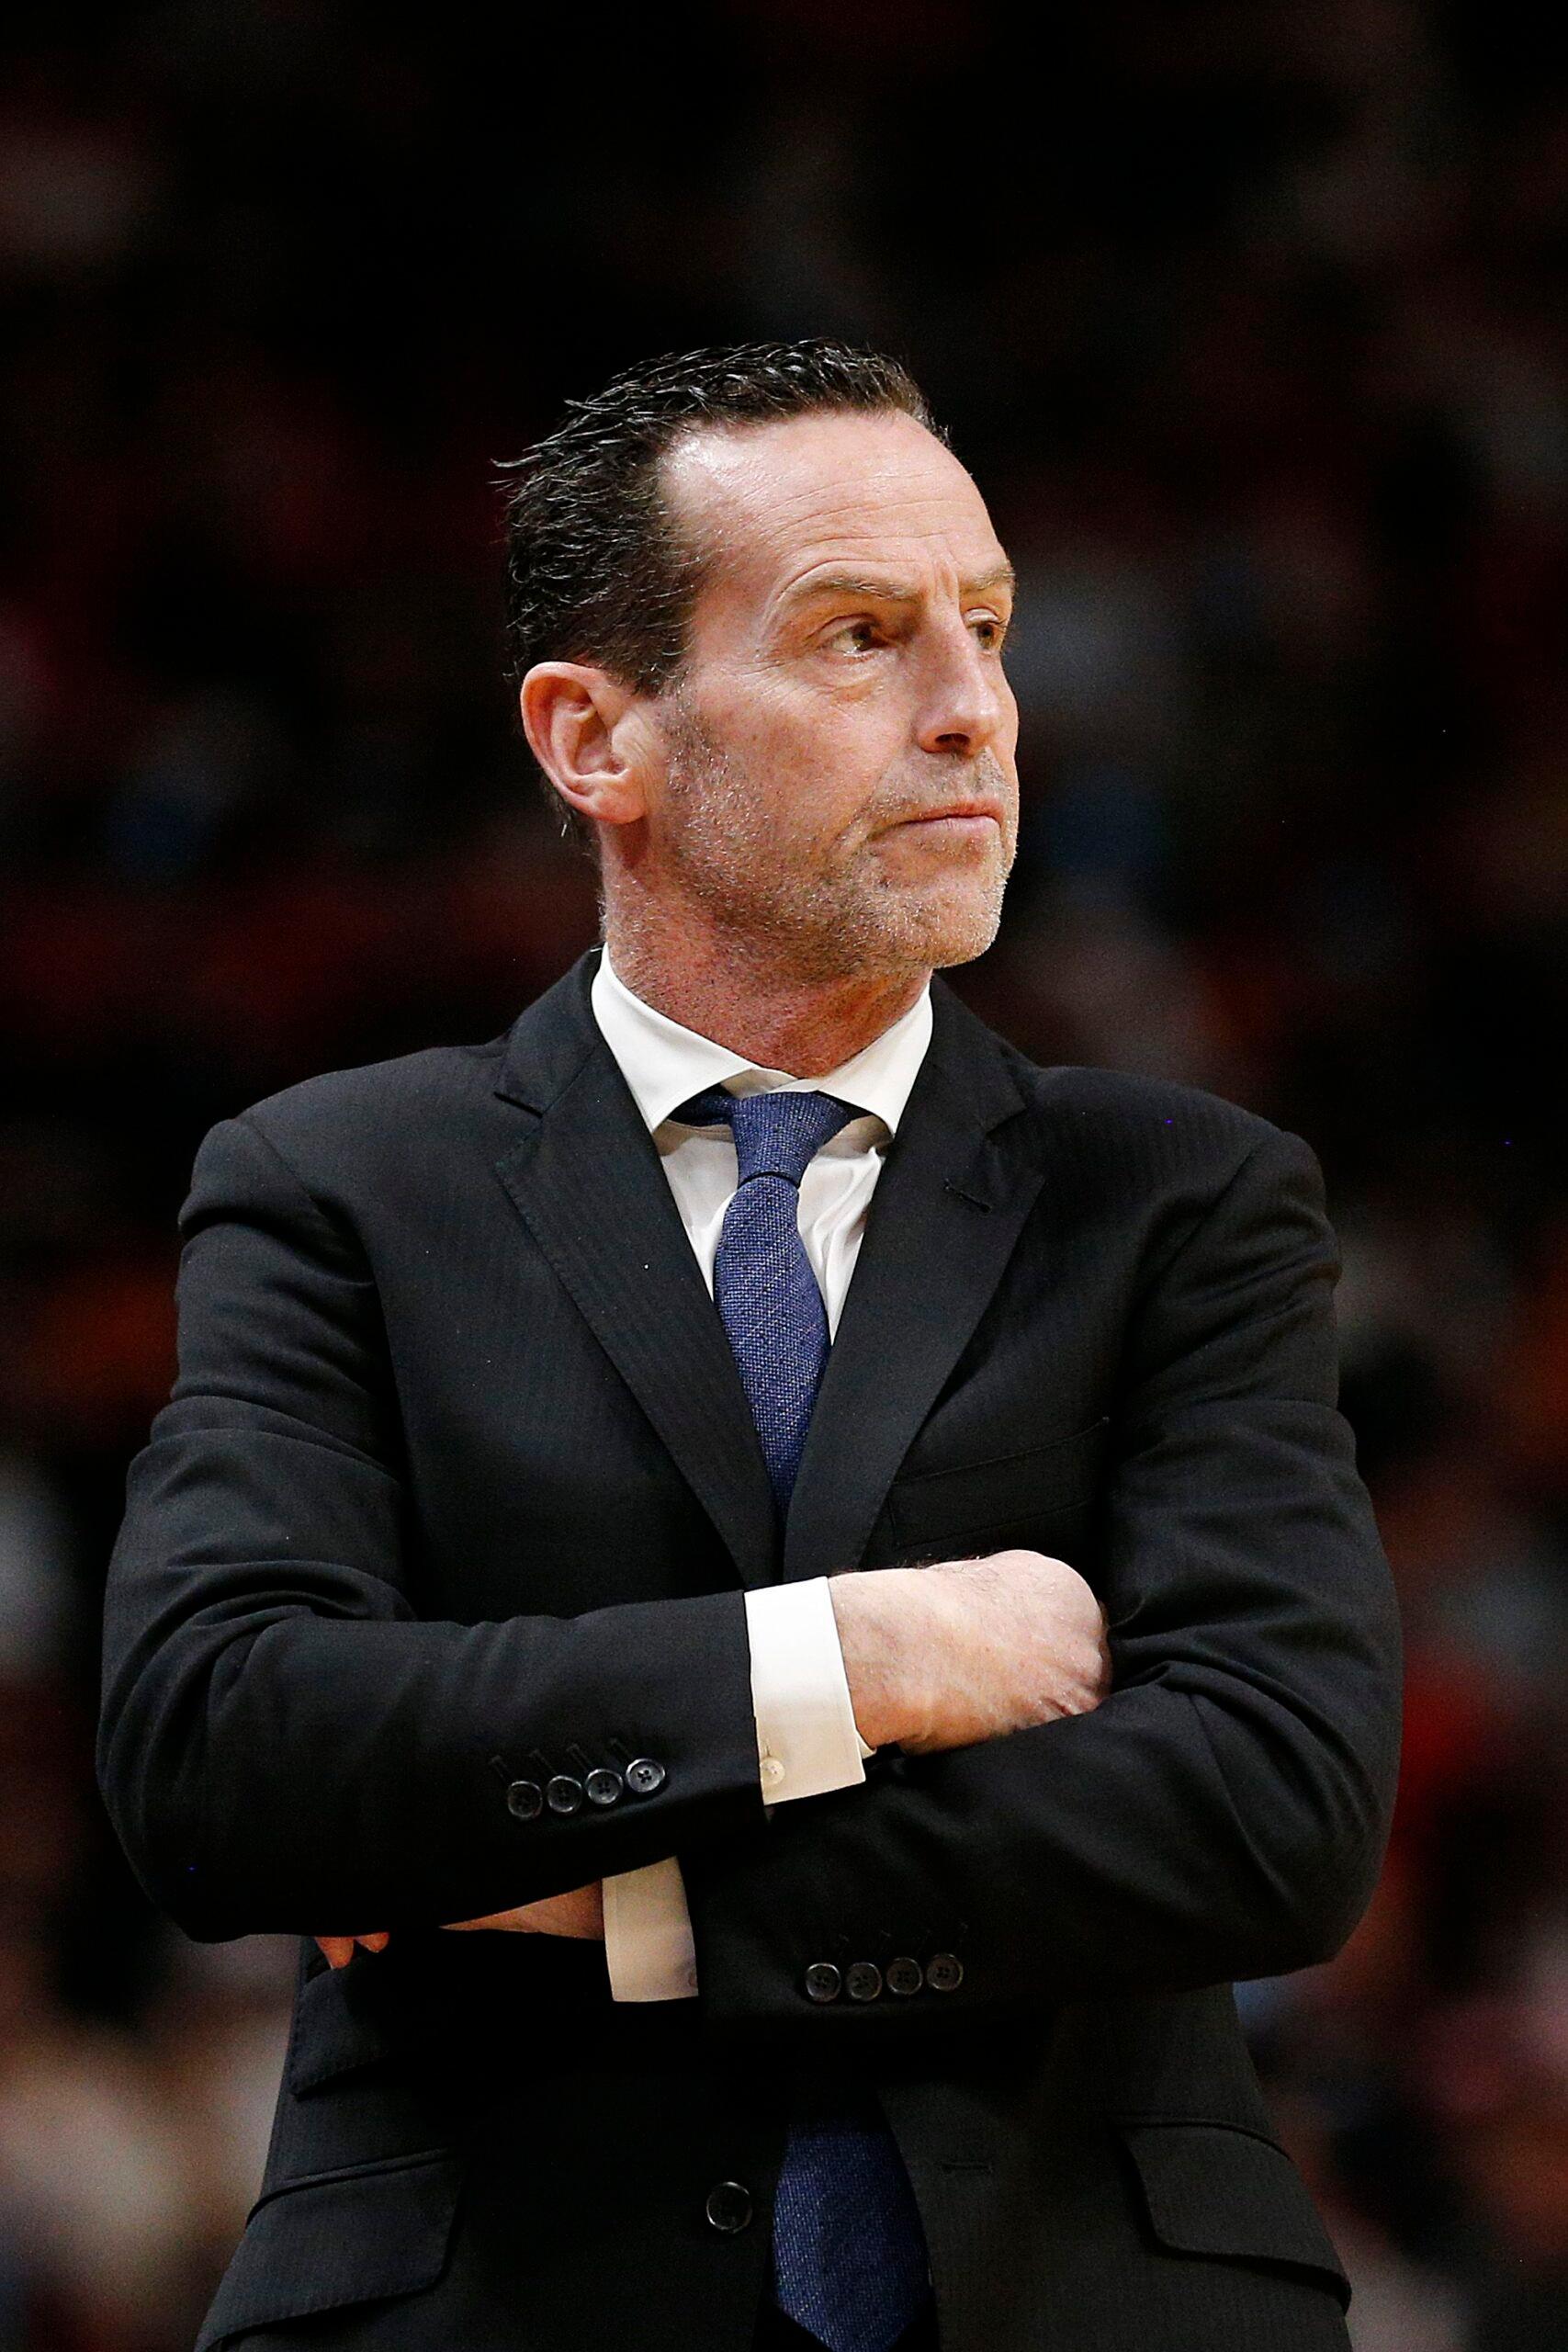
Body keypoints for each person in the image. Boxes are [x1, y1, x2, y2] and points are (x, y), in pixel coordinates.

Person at [96, 339, 1403, 2352]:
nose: (973, 708)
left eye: (986, 628)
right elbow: (220, 1751)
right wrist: (856, 1656)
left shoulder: (1179, 1196)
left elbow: (1269, 1806)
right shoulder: (337, 1182)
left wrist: (611, 1896)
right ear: (593, 738)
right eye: (859, 635)